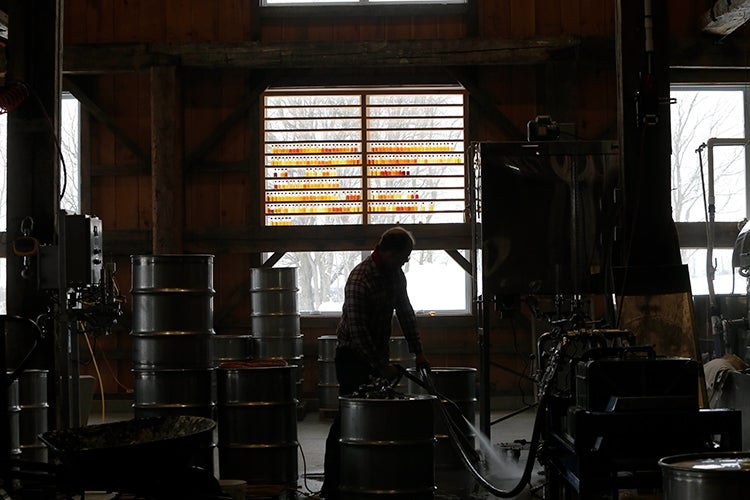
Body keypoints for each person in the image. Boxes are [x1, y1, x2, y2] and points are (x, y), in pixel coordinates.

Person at [320, 226, 430, 499]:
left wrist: (419, 352)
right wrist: (380, 365)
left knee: (377, 417)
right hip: (352, 356)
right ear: (388, 252)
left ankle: (371, 476)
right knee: (348, 419)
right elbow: (357, 331)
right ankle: (331, 486)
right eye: (404, 257)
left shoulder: (395, 275)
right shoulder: (360, 278)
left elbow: (405, 312)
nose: (406, 262)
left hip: (377, 354)